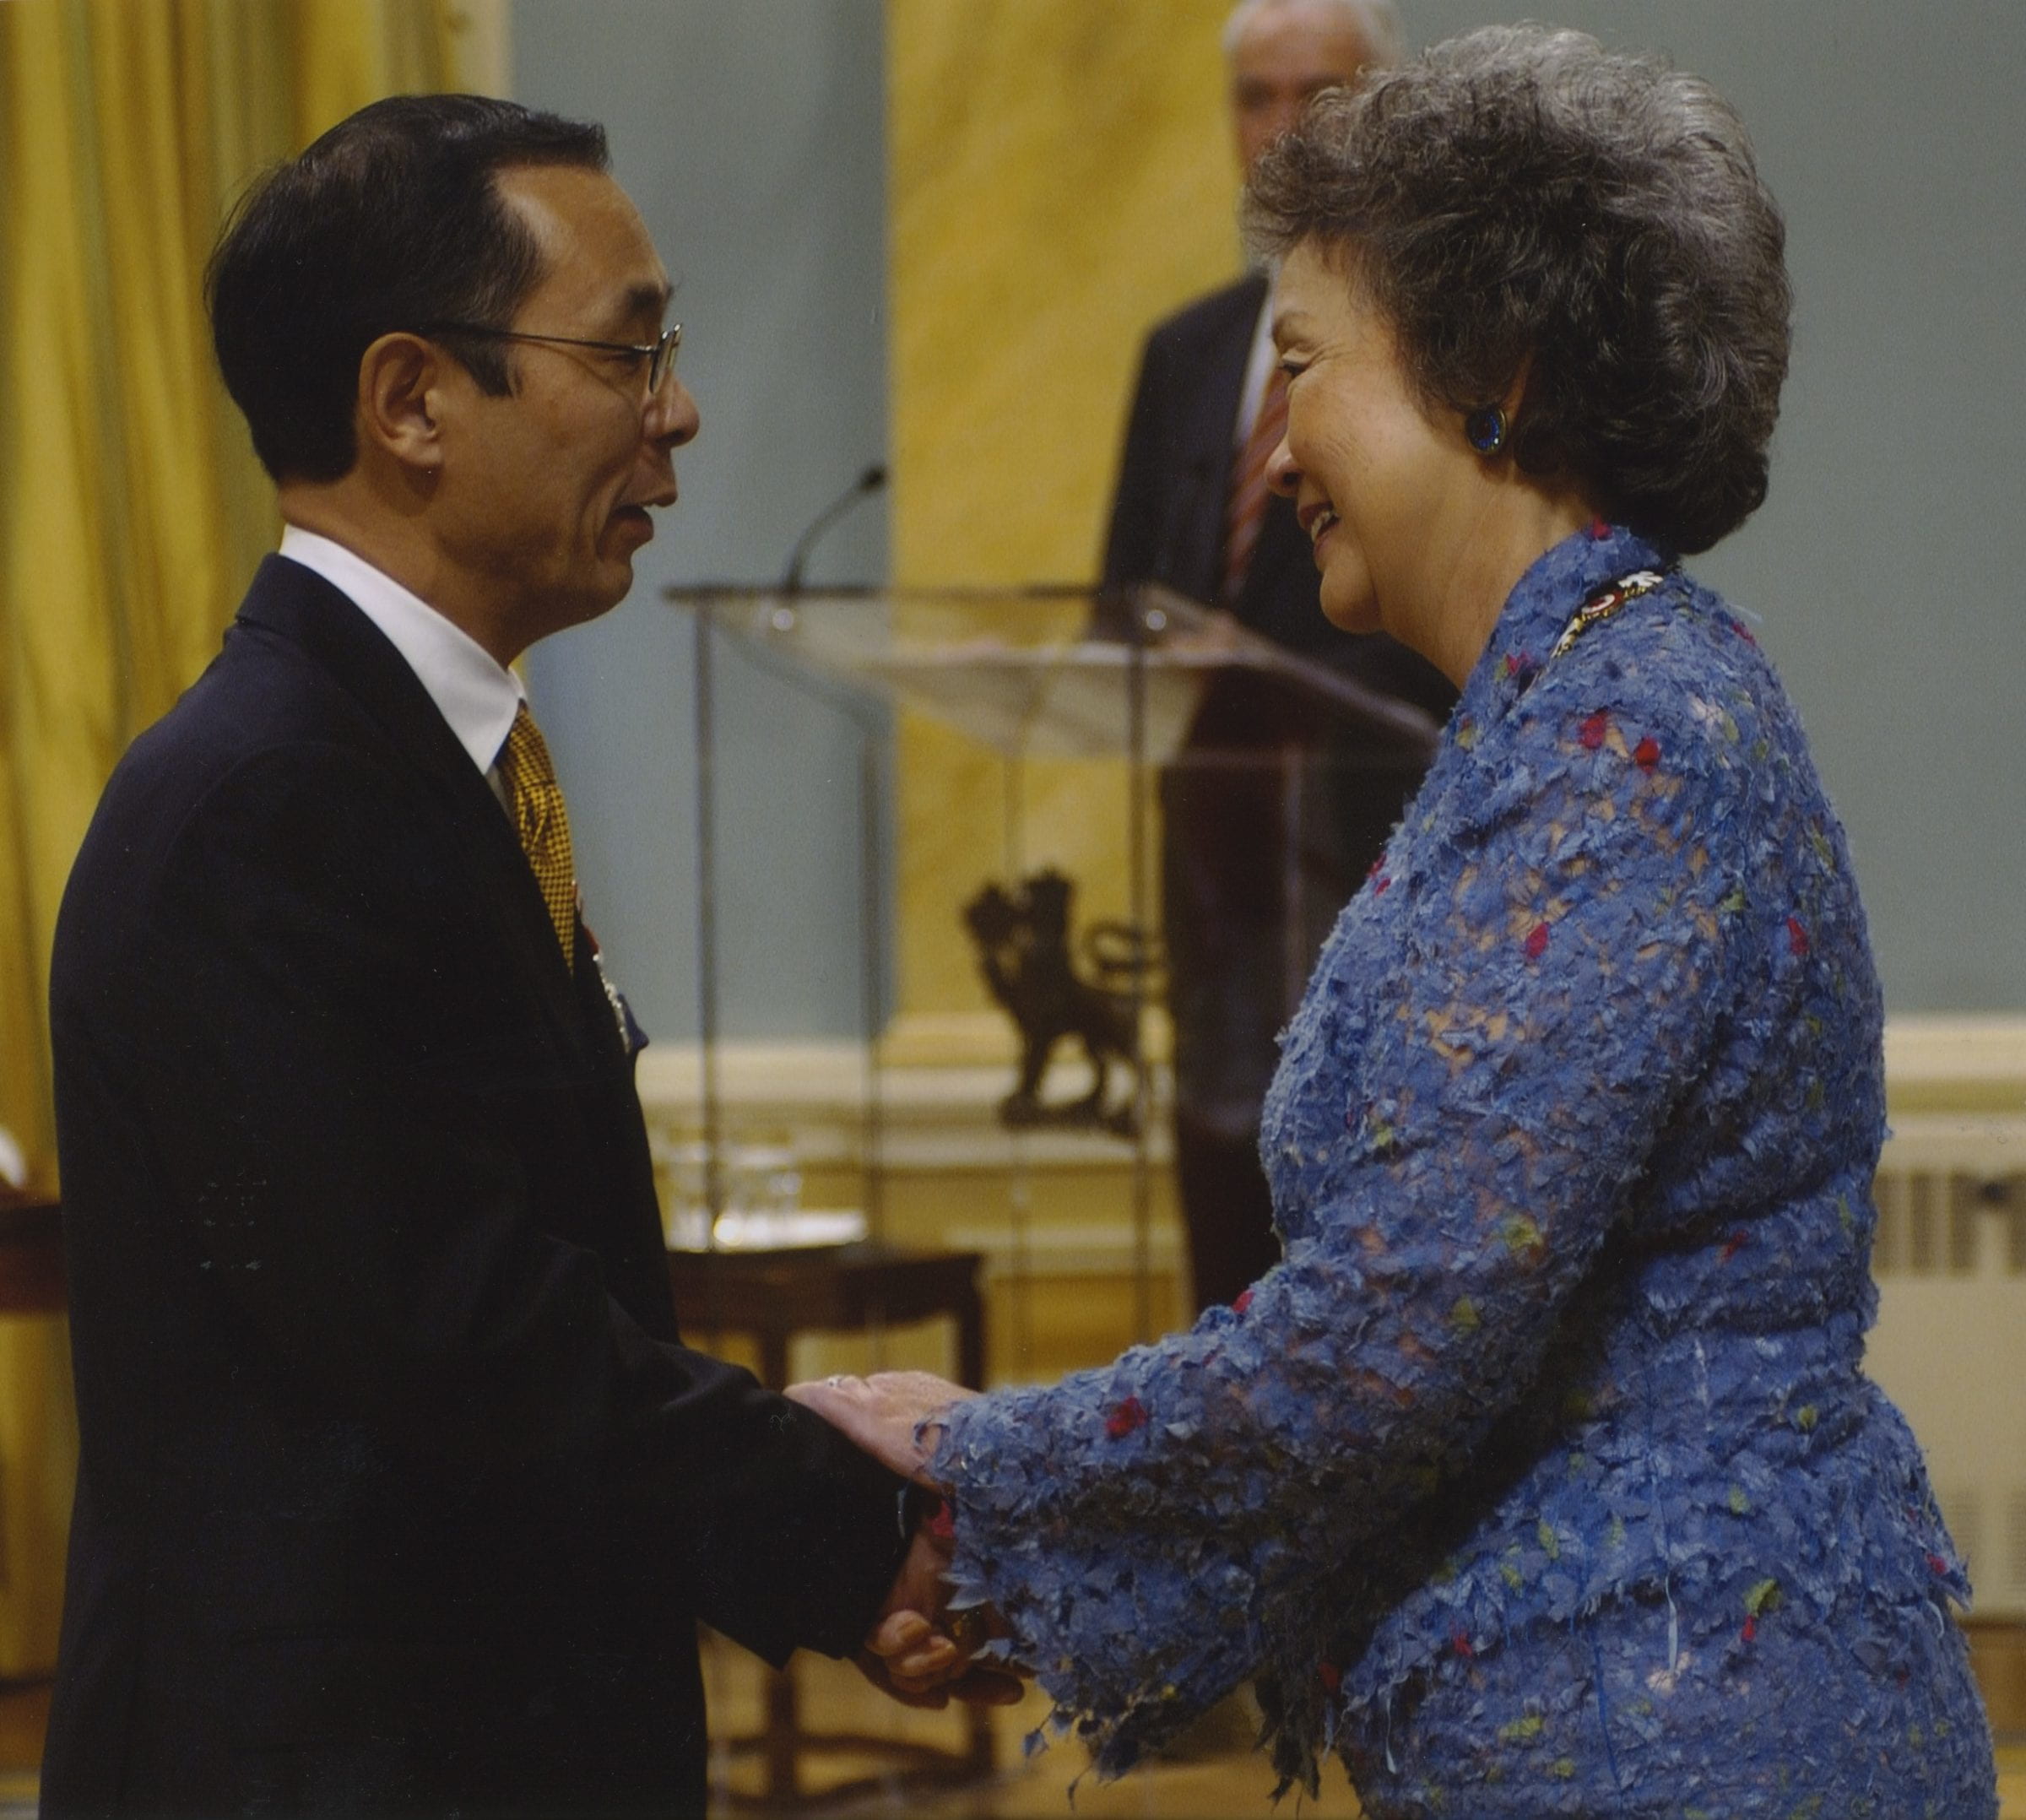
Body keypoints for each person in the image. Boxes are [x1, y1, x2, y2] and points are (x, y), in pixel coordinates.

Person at [793, 27, 2002, 1817]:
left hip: (1687, 1741)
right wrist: (1025, 1560)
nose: (1274, 450)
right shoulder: (1552, 711)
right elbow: (1429, 1396)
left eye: (1303, 366)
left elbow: (1383, 1349)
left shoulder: (1626, 741)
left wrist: (973, 1460)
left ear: (1492, 373)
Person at [43, 95, 999, 1818]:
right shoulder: (262, 805)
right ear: (413, 399)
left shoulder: (402, 764)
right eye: (629, 354)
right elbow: (460, 1335)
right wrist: (852, 1529)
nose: (679, 413)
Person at [1104, 0, 1456, 1314]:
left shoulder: (1435, 345)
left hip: (1371, 872)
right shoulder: (1186, 351)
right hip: (1217, 892)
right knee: (1225, 1296)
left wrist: (1281, 684)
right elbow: (1125, 599)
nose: (1284, 127)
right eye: (1257, 98)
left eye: (1320, 91)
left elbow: (1457, 616)